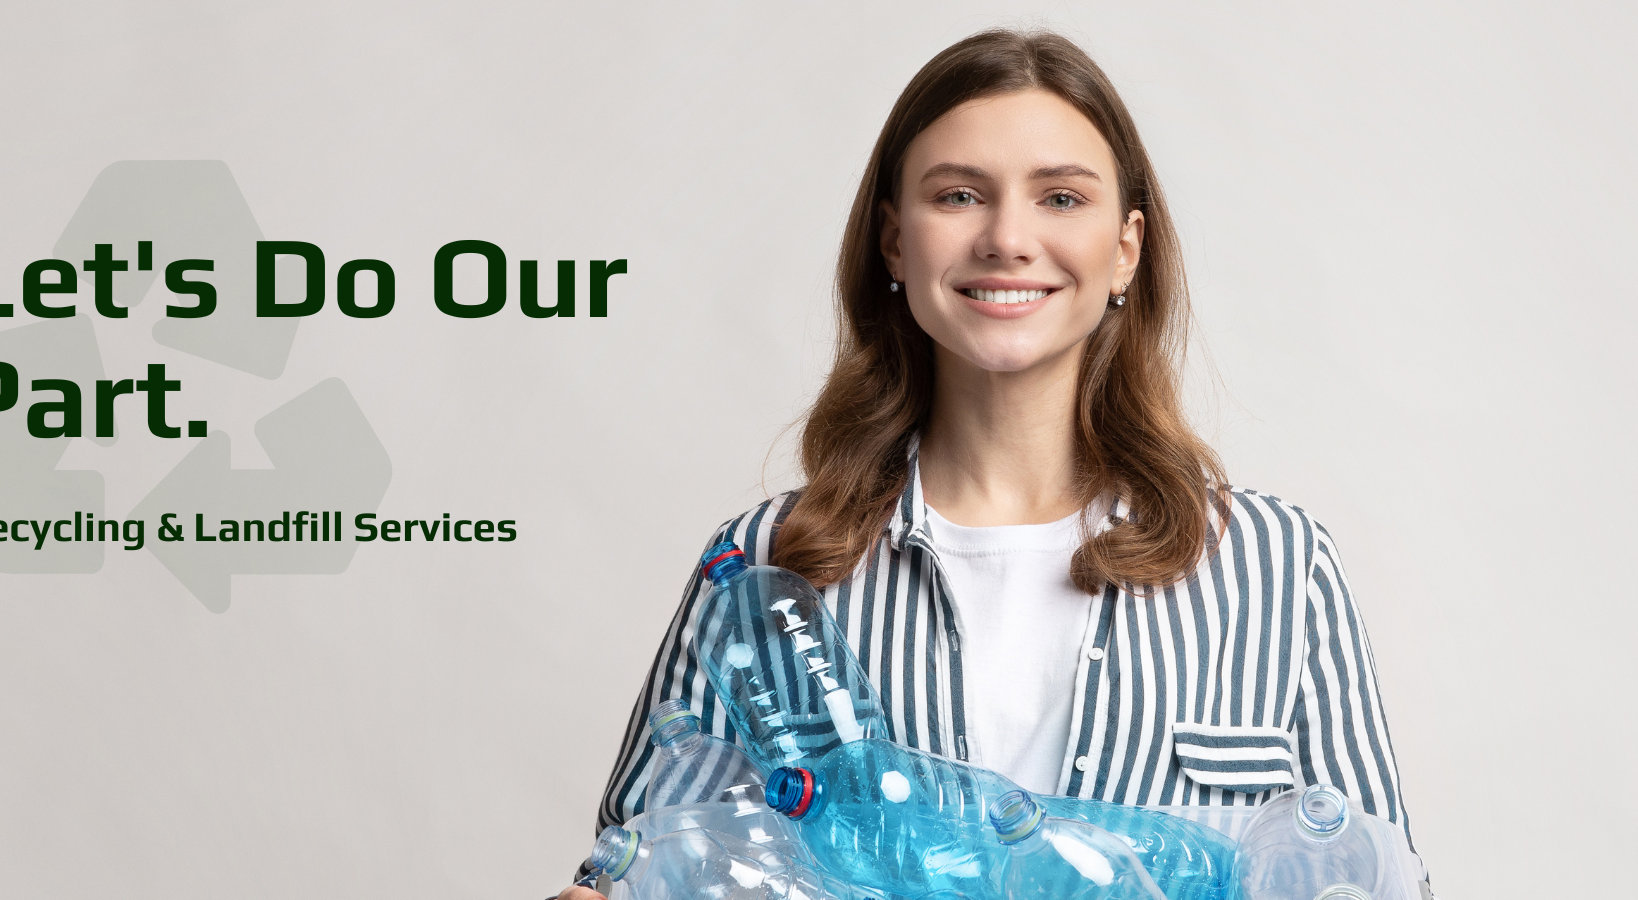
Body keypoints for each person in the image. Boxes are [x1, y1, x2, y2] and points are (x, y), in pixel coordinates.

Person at [555, 27, 1422, 899]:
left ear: (1126, 249)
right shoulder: (769, 562)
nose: (1007, 239)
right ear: (895, 243)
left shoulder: (1276, 565)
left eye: (1060, 199)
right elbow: (644, 866)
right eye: (960, 195)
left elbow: (1382, 879)